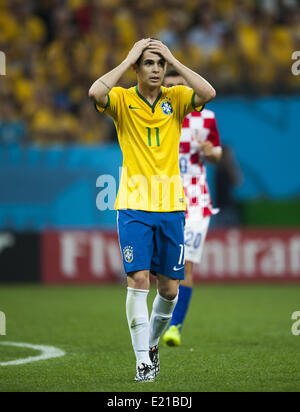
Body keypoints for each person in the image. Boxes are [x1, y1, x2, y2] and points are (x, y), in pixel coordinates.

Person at [88, 38, 216, 382]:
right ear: (137, 68)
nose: (156, 69)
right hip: (133, 205)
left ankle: (152, 345)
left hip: (172, 205)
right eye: (148, 63)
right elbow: (95, 93)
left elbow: (208, 92)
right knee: (138, 280)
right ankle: (143, 361)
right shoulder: (121, 99)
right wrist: (128, 56)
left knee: (170, 289)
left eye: (160, 64)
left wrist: (175, 59)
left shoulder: (175, 99)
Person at [162, 70, 222, 347]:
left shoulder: (205, 118)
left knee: (186, 266)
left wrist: (210, 151)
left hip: (196, 200)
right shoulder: (156, 117)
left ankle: (175, 327)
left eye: (179, 86)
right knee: (163, 269)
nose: (174, 91)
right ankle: (159, 322)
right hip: (162, 198)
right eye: (169, 86)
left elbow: (217, 153)